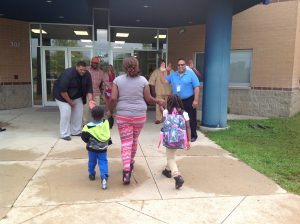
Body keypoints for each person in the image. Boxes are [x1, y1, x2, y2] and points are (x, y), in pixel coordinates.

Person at [108, 56, 165, 185]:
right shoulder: (143, 80)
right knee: (133, 140)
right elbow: (149, 98)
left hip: (123, 115)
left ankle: (126, 170)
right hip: (139, 115)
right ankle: (131, 162)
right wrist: (158, 100)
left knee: (126, 143)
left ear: (124, 67)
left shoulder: (117, 80)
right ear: (137, 66)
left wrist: (110, 111)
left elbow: (113, 99)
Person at [53, 61, 95, 141]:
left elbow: (89, 89)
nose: (83, 71)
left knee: (79, 112)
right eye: (81, 69)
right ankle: (64, 134)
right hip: (62, 96)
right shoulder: (68, 73)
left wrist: (90, 100)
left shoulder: (87, 74)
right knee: (66, 112)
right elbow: (63, 91)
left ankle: (75, 131)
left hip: (76, 95)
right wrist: (70, 102)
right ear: (77, 67)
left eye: (84, 70)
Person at [160, 58, 200, 142]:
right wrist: (162, 71)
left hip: (189, 100)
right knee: (177, 118)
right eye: (179, 65)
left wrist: (195, 100)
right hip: (177, 101)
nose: (180, 66)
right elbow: (164, 81)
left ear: (185, 65)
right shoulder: (174, 75)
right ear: (177, 66)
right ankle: (179, 134)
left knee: (190, 118)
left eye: (182, 64)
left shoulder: (191, 74)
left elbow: (196, 87)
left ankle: (193, 135)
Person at [160, 94, 191, 189]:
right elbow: (188, 127)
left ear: (169, 102)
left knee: (170, 158)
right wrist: (189, 140)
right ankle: (167, 170)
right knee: (171, 155)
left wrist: (161, 108)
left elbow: (163, 121)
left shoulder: (166, 112)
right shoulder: (184, 113)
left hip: (169, 139)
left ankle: (177, 176)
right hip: (180, 139)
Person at [81, 106, 113, 190]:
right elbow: (111, 124)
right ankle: (104, 177)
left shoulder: (87, 127)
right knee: (103, 162)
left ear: (92, 115)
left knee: (92, 161)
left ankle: (91, 174)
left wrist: (90, 141)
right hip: (103, 149)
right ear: (102, 115)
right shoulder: (105, 123)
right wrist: (110, 116)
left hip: (92, 149)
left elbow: (84, 137)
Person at [149, 60, 172, 124]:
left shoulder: (171, 71)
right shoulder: (156, 72)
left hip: (169, 92)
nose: (163, 65)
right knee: (159, 106)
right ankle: (158, 119)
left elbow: (174, 79)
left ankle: (168, 119)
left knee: (168, 106)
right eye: (161, 64)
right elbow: (151, 82)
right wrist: (153, 92)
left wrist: (169, 71)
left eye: (164, 64)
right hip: (159, 92)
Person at [83, 57, 105, 123]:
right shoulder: (86, 70)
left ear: (98, 64)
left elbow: (102, 84)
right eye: (93, 63)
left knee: (96, 110)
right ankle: (85, 123)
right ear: (91, 62)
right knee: (86, 110)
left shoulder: (101, 72)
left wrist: (103, 94)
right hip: (87, 93)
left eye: (96, 63)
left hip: (96, 93)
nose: (95, 64)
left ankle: (95, 123)